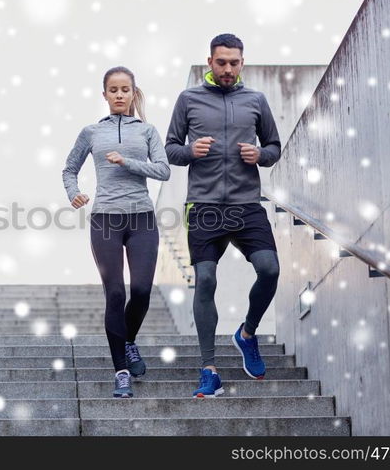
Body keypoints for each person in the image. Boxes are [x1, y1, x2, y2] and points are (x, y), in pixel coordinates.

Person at [165, 33, 281, 398]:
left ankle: (247, 334)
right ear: (210, 62)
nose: (228, 69)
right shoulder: (189, 99)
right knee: (206, 279)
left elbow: (275, 146)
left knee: (270, 269)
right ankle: (209, 368)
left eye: (234, 62)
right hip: (204, 205)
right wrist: (190, 151)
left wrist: (260, 156)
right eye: (221, 62)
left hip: (247, 204)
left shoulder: (256, 100)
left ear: (242, 63)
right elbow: (170, 149)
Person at [62, 66, 170, 398]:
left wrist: (128, 163)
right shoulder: (91, 132)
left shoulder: (148, 131)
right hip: (105, 220)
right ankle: (121, 369)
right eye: (113, 90)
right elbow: (69, 168)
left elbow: (164, 170)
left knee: (140, 291)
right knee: (115, 294)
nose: (119, 95)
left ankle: (129, 341)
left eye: (125, 89)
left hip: (142, 220)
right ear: (105, 94)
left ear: (133, 93)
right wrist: (73, 192)